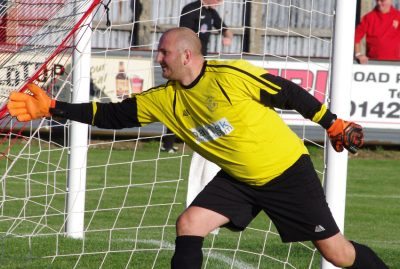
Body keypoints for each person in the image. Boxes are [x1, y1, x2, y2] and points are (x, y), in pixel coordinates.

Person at [8, 27, 387, 269]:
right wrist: (54, 108)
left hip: (285, 171)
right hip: (240, 179)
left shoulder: (229, 77)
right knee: (189, 223)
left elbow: (286, 92)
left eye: (164, 53)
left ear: (186, 55)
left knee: (337, 254)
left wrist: (332, 123)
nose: (158, 59)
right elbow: (111, 115)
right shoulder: (163, 98)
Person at [161, 0, 234, 153]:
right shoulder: (190, 9)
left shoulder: (211, 12)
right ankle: (167, 143)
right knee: (180, 100)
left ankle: (204, 139)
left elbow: (225, 29)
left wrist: (227, 35)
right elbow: (183, 37)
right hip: (185, 63)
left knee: (203, 99)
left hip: (201, 64)